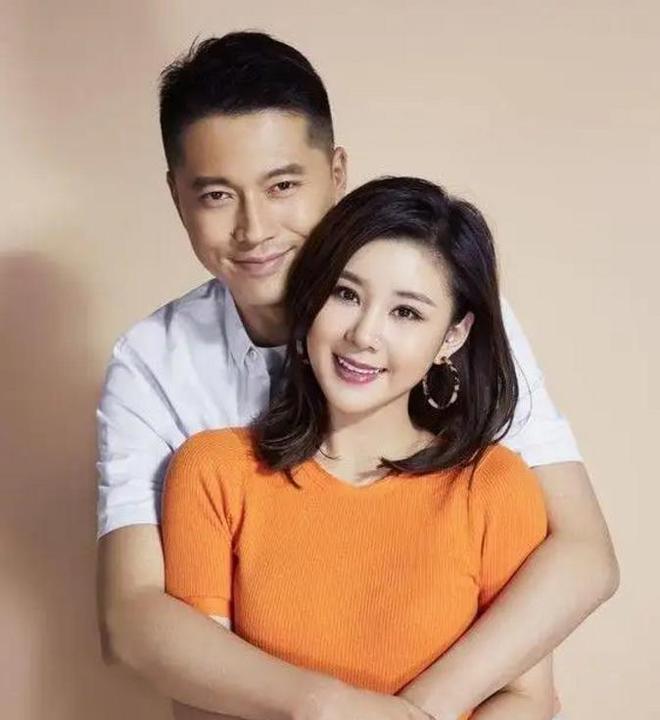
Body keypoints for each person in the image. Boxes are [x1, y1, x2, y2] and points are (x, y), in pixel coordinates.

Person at [96, 32, 618, 719]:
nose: (255, 229)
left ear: (337, 173)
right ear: (177, 197)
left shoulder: (444, 308)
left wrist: (422, 710)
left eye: (283, 186)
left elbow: (581, 555)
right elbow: (136, 617)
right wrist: (332, 710)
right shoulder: (157, 372)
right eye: (217, 195)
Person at [162, 176, 554, 720]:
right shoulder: (214, 471)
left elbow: (528, 698)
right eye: (346, 294)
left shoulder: (492, 486)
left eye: (406, 312)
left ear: (452, 336)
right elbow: (197, 700)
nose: (363, 335)